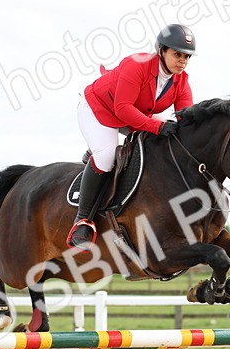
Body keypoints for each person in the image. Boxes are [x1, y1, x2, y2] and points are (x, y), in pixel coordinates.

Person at [67, 23, 196, 250]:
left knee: (162, 144)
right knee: (107, 155)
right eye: (177, 54)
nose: (182, 61)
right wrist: (156, 126)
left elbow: (185, 119)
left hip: (134, 113)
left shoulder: (181, 81)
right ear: (161, 50)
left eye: (186, 56)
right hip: (99, 109)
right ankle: (82, 220)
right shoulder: (136, 65)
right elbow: (123, 108)